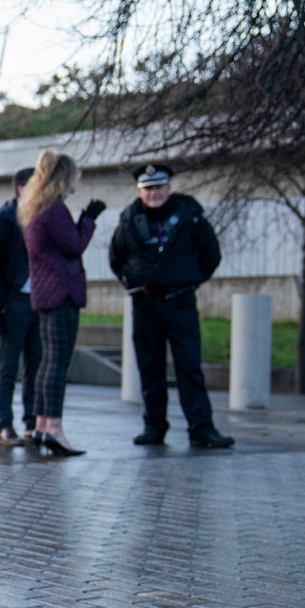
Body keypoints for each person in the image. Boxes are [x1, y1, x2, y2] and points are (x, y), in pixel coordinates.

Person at [109, 164, 234, 448]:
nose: (154, 193)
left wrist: (189, 280)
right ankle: (154, 427)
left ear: (169, 187)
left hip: (180, 301)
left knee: (189, 366)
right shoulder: (129, 220)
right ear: (140, 190)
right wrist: (134, 281)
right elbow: (116, 259)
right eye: (148, 188)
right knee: (149, 368)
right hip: (145, 303)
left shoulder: (190, 217)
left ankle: (201, 429)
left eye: (159, 187)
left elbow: (210, 255)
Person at [18, 151, 104, 457]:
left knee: (47, 360)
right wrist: (90, 219)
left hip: (45, 293)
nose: (78, 179)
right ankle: (53, 427)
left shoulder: (35, 208)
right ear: (64, 177)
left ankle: (42, 425)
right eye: (75, 174)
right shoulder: (54, 210)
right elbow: (75, 245)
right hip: (61, 293)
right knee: (57, 361)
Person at [0, 167, 40, 447]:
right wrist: (0, 306)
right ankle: (5, 426)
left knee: (37, 366)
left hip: (40, 303)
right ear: (20, 188)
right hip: (14, 304)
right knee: (8, 366)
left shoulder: (41, 219)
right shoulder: (3, 220)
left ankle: (32, 423)